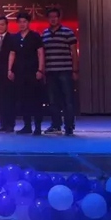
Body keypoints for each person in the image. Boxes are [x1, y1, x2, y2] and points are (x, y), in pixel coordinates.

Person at [42, 8, 78, 136]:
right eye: (50, 17)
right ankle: (56, 125)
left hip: (65, 71)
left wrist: (75, 70)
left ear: (59, 18)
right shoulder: (44, 34)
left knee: (68, 100)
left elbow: (74, 52)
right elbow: (43, 54)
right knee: (53, 101)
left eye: (55, 16)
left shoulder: (68, 32)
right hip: (50, 72)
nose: (53, 19)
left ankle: (69, 126)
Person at [8, 12, 45, 136]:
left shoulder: (35, 36)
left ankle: (38, 126)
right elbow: (12, 54)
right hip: (19, 73)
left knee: (35, 100)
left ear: (28, 23)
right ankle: (27, 125)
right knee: (23, 100)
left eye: (24, 22)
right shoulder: (15, 37)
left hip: (33, 72)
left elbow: (40, 53)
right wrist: (9, 69)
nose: (22, 24)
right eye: (20, 22)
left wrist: (40, 70)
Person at [0, 16, 16, 133]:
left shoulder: (12, 38)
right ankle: (3, 124)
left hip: (9, 73)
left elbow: (14, 55)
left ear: (7, 25)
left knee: (9, 99)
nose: (0, 27)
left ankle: (10, 124)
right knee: (0, 99)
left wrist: (11, 70)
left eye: (2, 24)